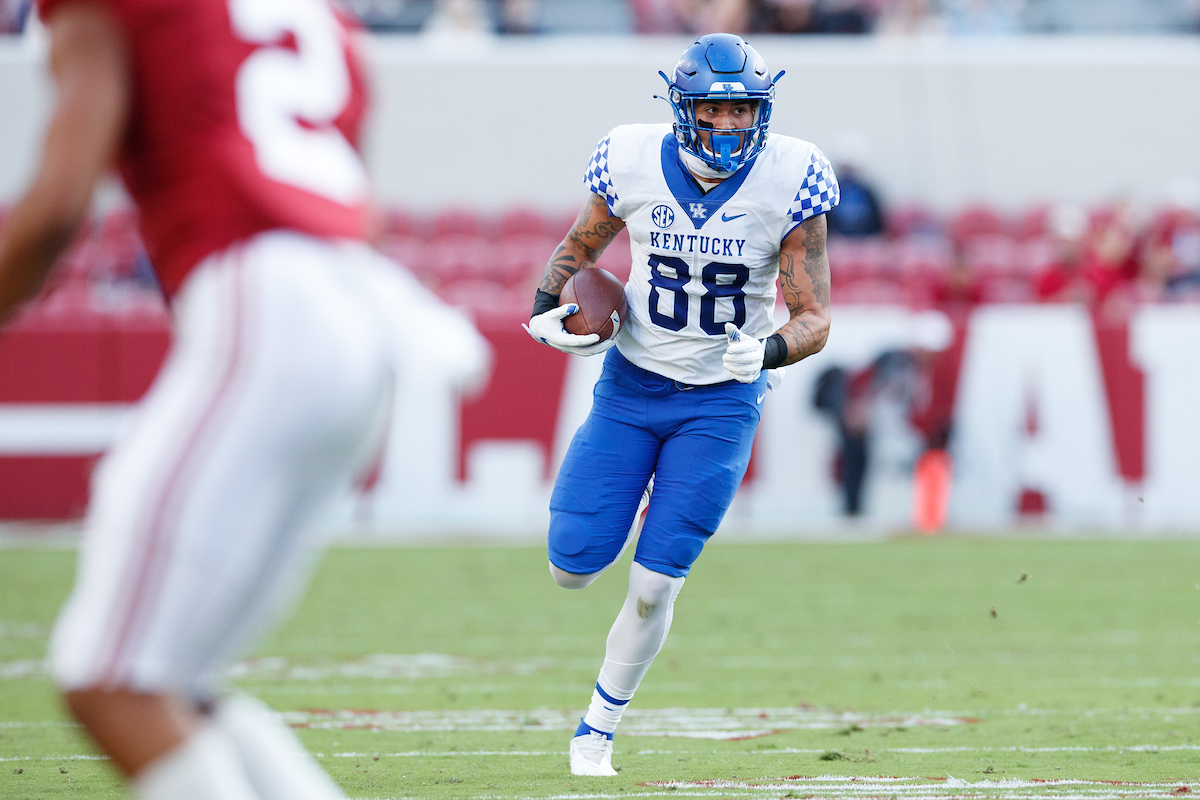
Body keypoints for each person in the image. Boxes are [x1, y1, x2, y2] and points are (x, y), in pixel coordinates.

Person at [0, 1, 400, 798]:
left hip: (266, 308)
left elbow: (56, 205)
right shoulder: (320, 17)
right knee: (176, 682)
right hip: (364, 308)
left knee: (109, 677)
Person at [524, 33, 837, 776]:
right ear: (682, 109)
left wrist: (762, 353)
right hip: (632, 384)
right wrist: (543, 310)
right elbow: (582, 247)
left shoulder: (793, 175)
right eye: (715, 110)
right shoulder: (631, 157)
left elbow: (816, 318)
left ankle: (596, 729)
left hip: (722, 400)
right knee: (571, 568)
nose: (729, 125)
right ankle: (634, 498)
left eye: (743, 110)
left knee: (655, 583)